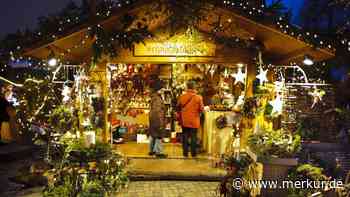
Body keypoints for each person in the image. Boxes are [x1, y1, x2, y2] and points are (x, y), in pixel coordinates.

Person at [177, 80, 204, 158]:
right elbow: (201, 109)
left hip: (184, 120)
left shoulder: (182, 96)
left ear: (187, 87)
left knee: (185, 136)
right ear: (194, 87)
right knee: (193, 137)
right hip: (194, 120)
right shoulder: (198, 97)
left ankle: (185, 153)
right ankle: (193, 153)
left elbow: (178, 105)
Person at [148, 79, 167, 158]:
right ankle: (159, 152)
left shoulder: (154, 97)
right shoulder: (157, 99)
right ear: (158, 89)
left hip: (153, 119)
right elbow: (157, 111)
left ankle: (152, 150)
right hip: (157, 119)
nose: (163, 90)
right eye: (162, 89)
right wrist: (161, 122)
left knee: (153, 135)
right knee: (158, 135)